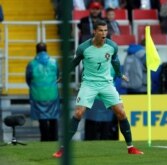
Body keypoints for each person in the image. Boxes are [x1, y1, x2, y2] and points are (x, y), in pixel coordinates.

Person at [52, 20, 143, 158]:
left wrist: (119, 74)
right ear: (94, 31)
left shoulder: (112, 46)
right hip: (88, 83)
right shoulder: (83, 48)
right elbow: (75, 62)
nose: (104, 33)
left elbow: (115, 61)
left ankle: (130, 147)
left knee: (121, 113)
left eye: (106, 31)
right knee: (78, 113)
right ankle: (63, 149)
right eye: (101, 30)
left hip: (106, 83)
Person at [25, 42, 60, 142]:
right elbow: (57, 76)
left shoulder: (31, 64)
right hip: (52, 93)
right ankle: (54, 139)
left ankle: (44, 139)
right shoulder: (54, 62)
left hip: (38, 94)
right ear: (46, 50)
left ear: (36, 51)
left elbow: (28, 79)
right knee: (53, 118)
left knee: (42, 119)